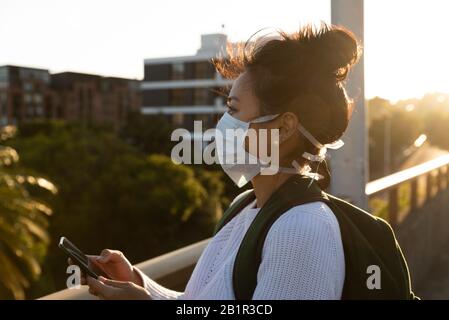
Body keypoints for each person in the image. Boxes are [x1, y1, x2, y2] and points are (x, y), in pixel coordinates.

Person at [78, 23, 414, 300]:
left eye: (233, 110)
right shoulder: (247, 205)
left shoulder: (302, 230)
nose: (222, 124)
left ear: (284, 127)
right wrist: (140, 283)